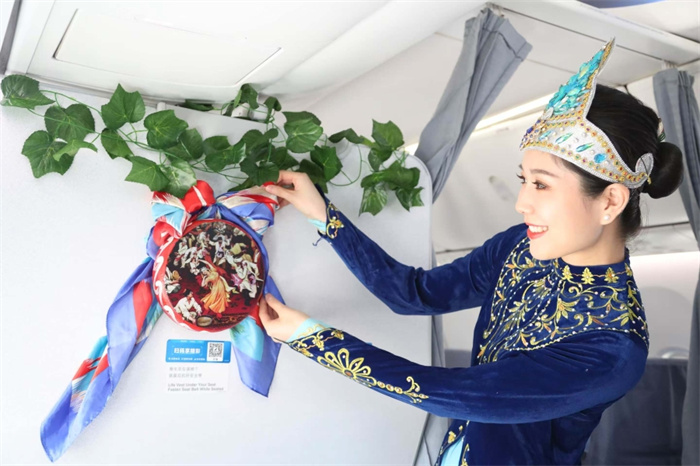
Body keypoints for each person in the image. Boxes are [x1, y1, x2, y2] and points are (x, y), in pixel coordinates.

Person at [258, 40, 684, 465]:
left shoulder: (611, 345)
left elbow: (450, 393)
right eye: (524, 180)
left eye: (541, 184)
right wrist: (322, 214)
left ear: (610, 201)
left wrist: (310, 337)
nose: (522, 203)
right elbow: (414, 293)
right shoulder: (520, 246)